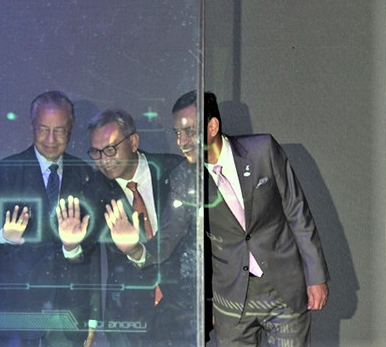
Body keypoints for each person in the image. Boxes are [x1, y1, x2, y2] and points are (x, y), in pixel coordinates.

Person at [106, 90, 330, 346]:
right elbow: (167, 239)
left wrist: (316, 276)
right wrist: (134, 249)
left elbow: (297, 211)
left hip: (282, 289)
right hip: (231, 299)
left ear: (212, 126)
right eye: (177, 133)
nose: (181, 142)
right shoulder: (184, 179)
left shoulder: (262, 150)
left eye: (189, 131)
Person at [0, 90, 98, 347]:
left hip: (68, 314)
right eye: (44, 129)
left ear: (70, 130)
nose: (51, 139)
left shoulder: (85, 174)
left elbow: (91, 253)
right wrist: (5, 236)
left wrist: (92, 316)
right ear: (32, 127)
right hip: (19, 312)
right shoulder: (6, 170)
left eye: (59, 131)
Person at [63, 108, 183, 346]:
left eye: (110, 149)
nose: (104, 160)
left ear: (134, 142)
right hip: (128, 315)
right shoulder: (95, 189)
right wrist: (71, 246)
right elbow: (83, 255)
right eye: (96, 152)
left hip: (182, 306)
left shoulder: (174, 169)